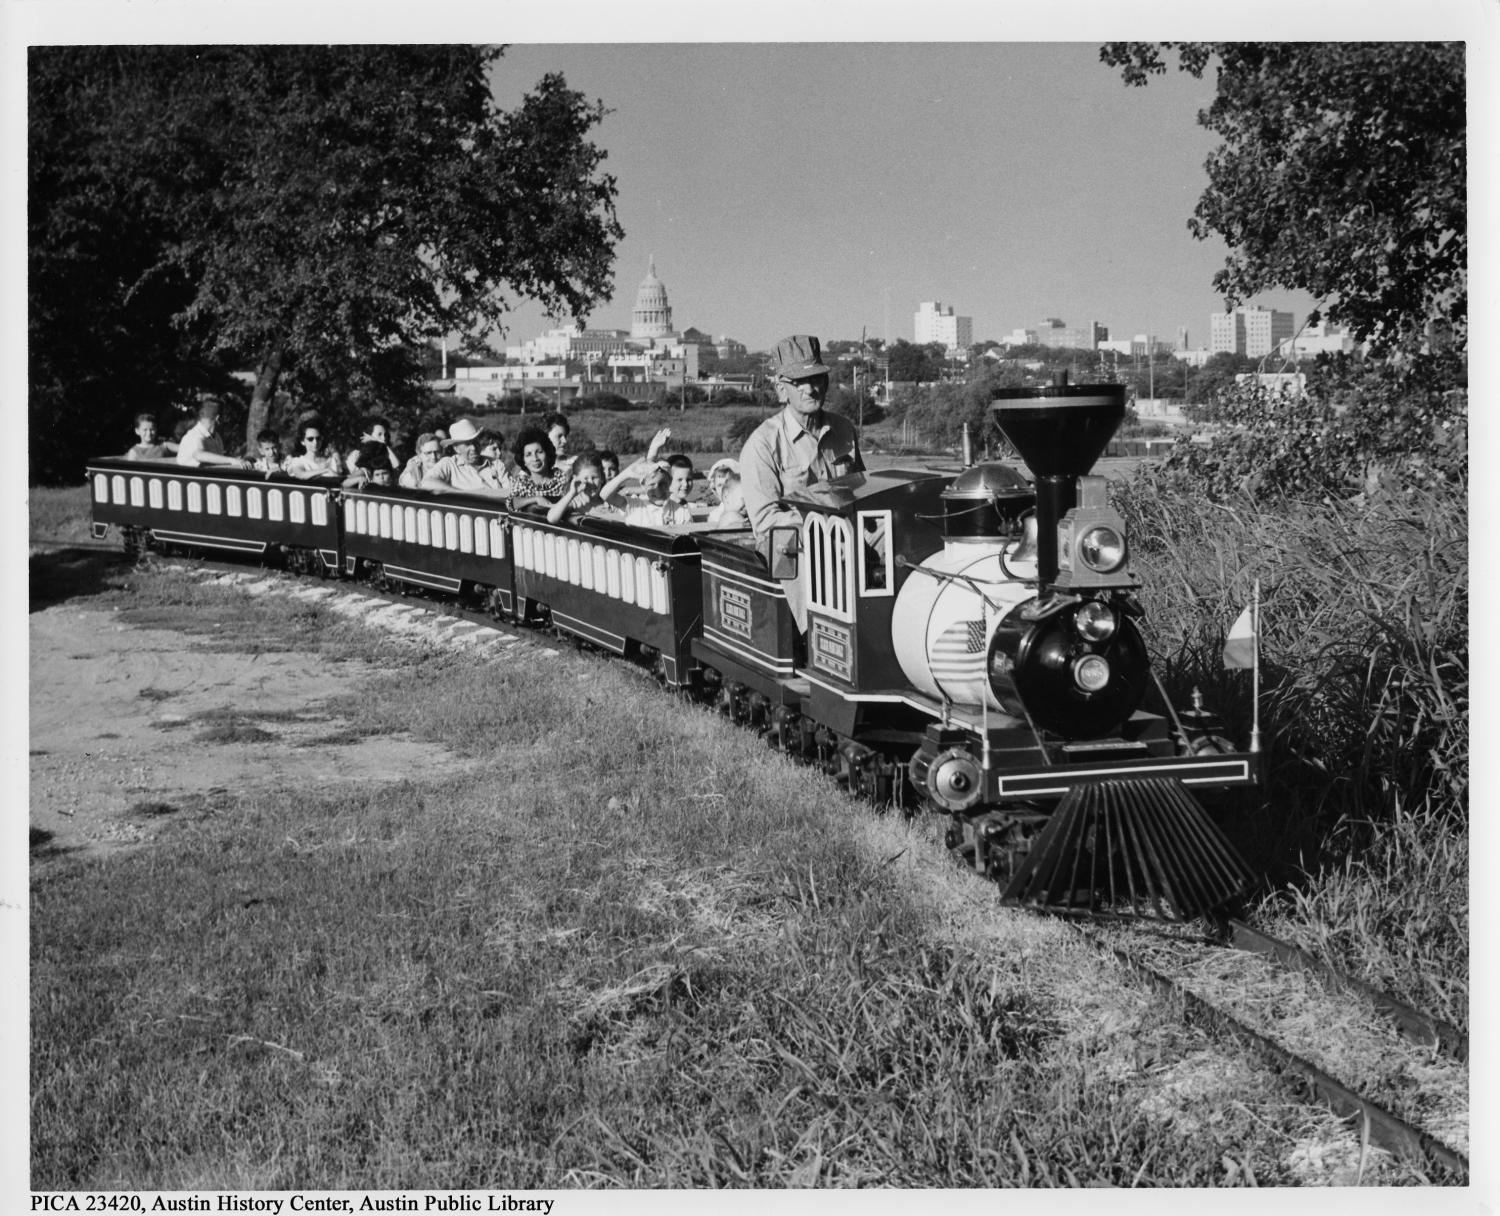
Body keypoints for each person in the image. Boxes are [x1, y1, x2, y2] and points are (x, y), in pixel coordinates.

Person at [740, 334, 863, 553]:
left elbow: (862, 491)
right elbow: (767, 521)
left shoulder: (844, 430)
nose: (809, 389)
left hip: (848, 535)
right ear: (780, 390)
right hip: (796, 548)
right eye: (798, 382)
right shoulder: (762, 444)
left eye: (816, 379)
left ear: (825, 383)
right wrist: (823, 539)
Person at [421, 417, 506, 496]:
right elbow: (427, 482)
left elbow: (512, 494)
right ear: (456, 448)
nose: (473, 447)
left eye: (475, 442)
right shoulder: (449, 464)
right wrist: (461, 496)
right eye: (467, 444)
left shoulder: (497, 465)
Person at [545, 453, 625, 524]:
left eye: (594, 478)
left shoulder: (609, 500)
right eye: (585, 479)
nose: (591, 483)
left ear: (602, 478)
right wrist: (571, 493)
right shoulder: (576, 502)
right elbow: (552, 518)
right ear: (575, 480)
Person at [505, 426, 569, 506]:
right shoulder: (522, 482)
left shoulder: (562, 478)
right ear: (523, 460)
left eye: (539, 452)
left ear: (547, 454)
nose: (535, 458)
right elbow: (513, 503)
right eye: (528, 455)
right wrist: (535, 499)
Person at [176, 401, 248, 468]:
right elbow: (199, 455)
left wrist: (236, 459)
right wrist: (231, 460)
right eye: (225, 417)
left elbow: (216, 460)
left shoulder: (216, 437)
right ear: (218, 418)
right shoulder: (194, 436)